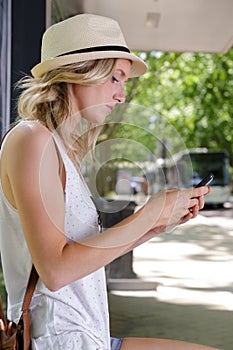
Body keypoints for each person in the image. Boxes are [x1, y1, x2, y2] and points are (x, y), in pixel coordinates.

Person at [0, 13, 219, 350]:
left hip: (90, 336)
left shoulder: (61, 151)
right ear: (81, 72)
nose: (121, 96)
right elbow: (55, 271)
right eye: (115, 78)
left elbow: (83, 260)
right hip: (59, 340)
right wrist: (148, 214)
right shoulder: (32, 139)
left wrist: (156, 224)